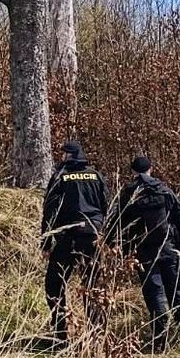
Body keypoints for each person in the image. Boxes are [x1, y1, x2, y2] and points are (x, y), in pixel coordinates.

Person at [112, 156, 180, 351]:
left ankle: (160, 340)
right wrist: (179, 243)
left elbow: (118, 221)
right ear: (151, 169)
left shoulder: (131, 193)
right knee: (176, 293)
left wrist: (115, 245)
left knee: (154, 293)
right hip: (167, 249)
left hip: (144, 251)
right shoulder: (164, 190)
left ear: (133, 172)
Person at [40, 140, 110, 345]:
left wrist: (46, 242)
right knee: (93, 285)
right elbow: (107, 204)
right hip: (93, 236)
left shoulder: (61, 176)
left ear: (67, 156)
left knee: (54, 284)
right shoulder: (96, 175)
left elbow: (49, 210)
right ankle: (97, 334)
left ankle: (61, 334)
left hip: (68, 237)